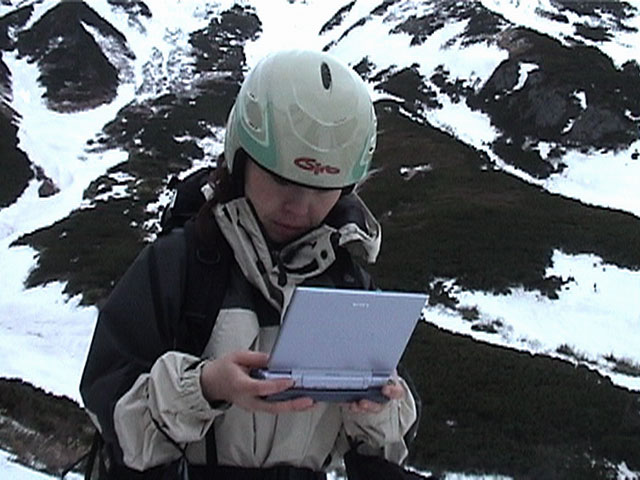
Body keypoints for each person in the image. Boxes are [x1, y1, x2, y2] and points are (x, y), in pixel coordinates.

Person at [80, 49, 418, 480]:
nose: (299, 205)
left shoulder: (350, 286)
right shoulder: (179, 266)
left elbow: (386, 448)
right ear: (240, 160)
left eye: (323, 188)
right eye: (281, 179)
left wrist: (377, 408)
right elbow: (111, 410)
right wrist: (205, 388)